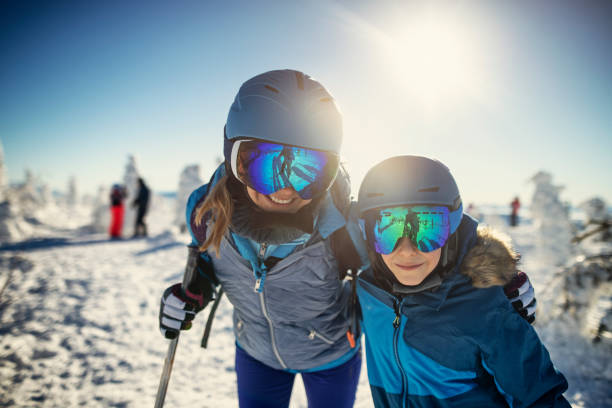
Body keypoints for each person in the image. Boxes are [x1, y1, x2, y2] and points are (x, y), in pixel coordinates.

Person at [157, 70, 537, 408]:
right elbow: (207, 261)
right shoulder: (207, 213)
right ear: (233, 156)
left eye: (309, 169)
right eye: (267, 165)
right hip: (256, 354)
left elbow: (426, 241)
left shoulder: (345, 226)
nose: (286, 190)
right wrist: (193, 292)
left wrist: (489, 271)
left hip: (332, 356)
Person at [356, 155, 569, 407]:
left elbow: (540, 397)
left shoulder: (485, 308)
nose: (407, 250)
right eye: (388, 229)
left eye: (427, 228)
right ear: (366, 232)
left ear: (452, 228)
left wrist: (496, 272)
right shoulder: (368, 287)